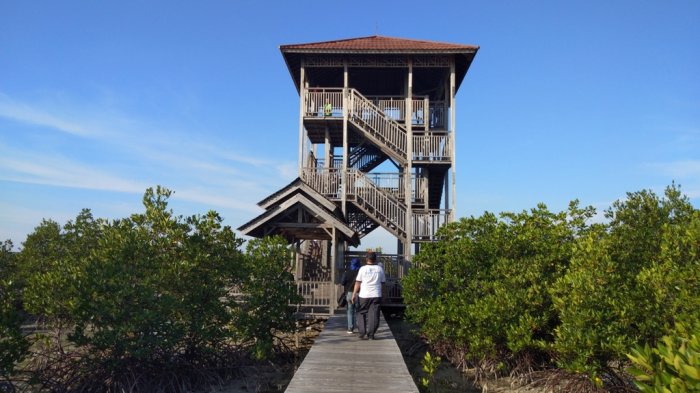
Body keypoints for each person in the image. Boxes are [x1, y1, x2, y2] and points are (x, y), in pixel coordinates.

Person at [351, 251, 385, 340]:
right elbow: (382, 283)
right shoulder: (380, 269)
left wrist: (354, 294)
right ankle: (371, 335)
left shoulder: (362, 269)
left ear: (366, 259)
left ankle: (362, 332)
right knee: (374, 315)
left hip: (364, 295)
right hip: (376, 294)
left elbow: (358, 282)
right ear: (375, 259)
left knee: (361, 312)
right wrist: (383, 295)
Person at [340, 258, 361, 333]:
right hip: (360, 294)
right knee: (359, 311)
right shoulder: (361, 273)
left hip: (349, 293)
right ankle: (360, 327)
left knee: (350, 311)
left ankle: (350, 328)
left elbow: (342, 283)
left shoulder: (346, 273)